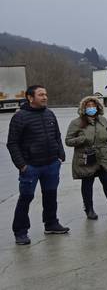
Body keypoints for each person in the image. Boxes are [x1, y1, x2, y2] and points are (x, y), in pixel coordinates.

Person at [7, 85, 69, 245]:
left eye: (46, 94)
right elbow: (12, 143)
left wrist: (60, 155)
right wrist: (22, 165)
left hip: (51, 164)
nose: (45, 97)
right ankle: (20, 232)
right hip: (31, 167)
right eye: (41, 94)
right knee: (26, 198)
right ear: (30, 97)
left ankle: (51, 224)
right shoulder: (20, 117)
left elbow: (57, 135)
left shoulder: (49, 114)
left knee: (51, 196)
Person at [65, 96, 107, 219]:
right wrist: (81, 139)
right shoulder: (76, 123)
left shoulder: (102, 120)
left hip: (103, 157)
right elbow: (68, 140)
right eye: (88, 106)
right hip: (87, 157)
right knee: (88, 183)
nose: (91, 108)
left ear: (98, 107)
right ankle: (89, 209)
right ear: (83, 108)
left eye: (93, 106)